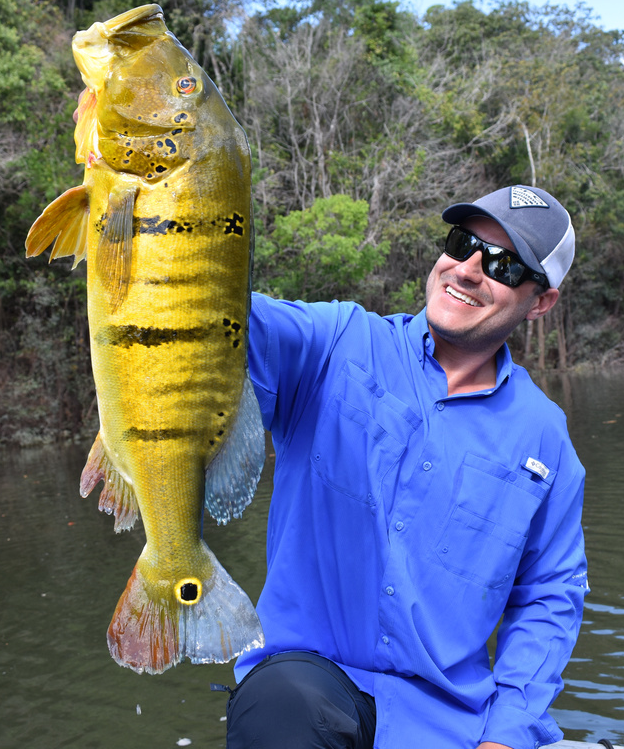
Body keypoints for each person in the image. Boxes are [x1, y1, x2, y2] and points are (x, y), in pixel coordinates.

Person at [226, 185, 589, 749]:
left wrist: (507, 735)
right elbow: (216, 319)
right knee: (283, 703)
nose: (468, 269)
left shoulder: (546, 437)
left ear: (540, 302)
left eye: (503, 264)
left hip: (448, 724)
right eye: (462, 243)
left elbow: (549, 595)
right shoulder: (336, 342)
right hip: (301, 693)